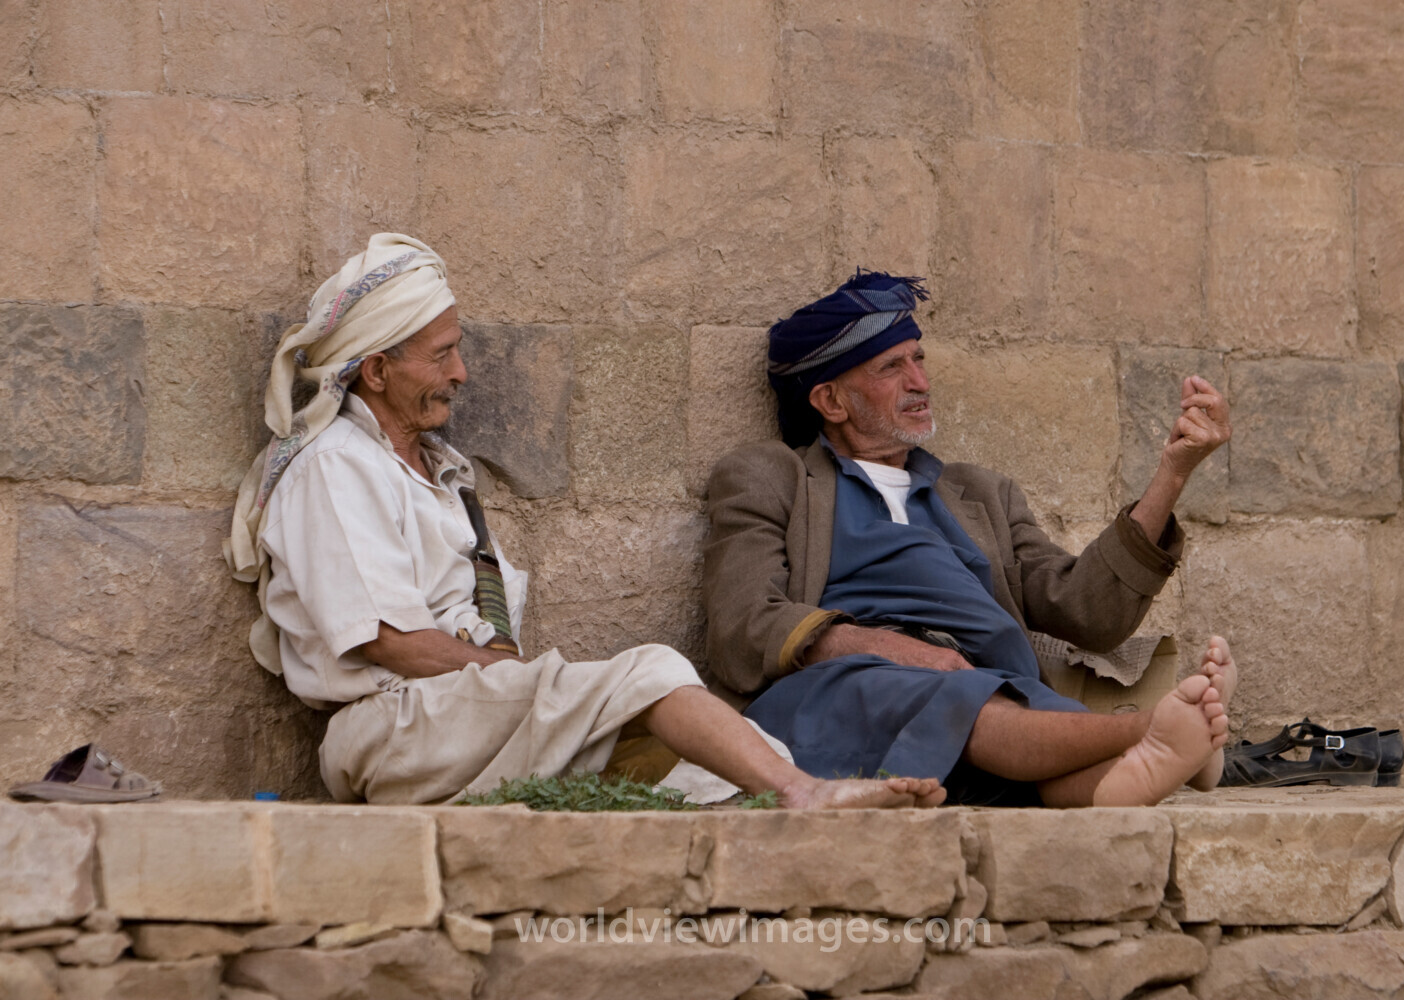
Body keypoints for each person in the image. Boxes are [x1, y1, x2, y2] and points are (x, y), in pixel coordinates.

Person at [224, 234, 943, 810]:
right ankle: (803, 793)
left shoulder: (442, 475)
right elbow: (388, 641)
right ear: (377, 371)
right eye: (442, 354)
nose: (463, 373)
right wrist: (539, 683)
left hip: (463, 717)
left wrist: (535, 689)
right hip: (392, 731)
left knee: (702, 768)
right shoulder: (334, 464)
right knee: (651, 672)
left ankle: (792, 813)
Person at [702, 270, 1237, 808]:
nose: (920, 382)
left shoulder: (980, 494)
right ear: (831, 401)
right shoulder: (772, 476)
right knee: (965, 702)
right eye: (893, 367)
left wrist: (1172, 474)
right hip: (842, 687)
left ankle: (1169, 755)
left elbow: (1087, 614)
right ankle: (1152, 730)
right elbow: (741, 623)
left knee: (1038, 749)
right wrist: (883, 647)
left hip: (992, 689)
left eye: (919, 359)